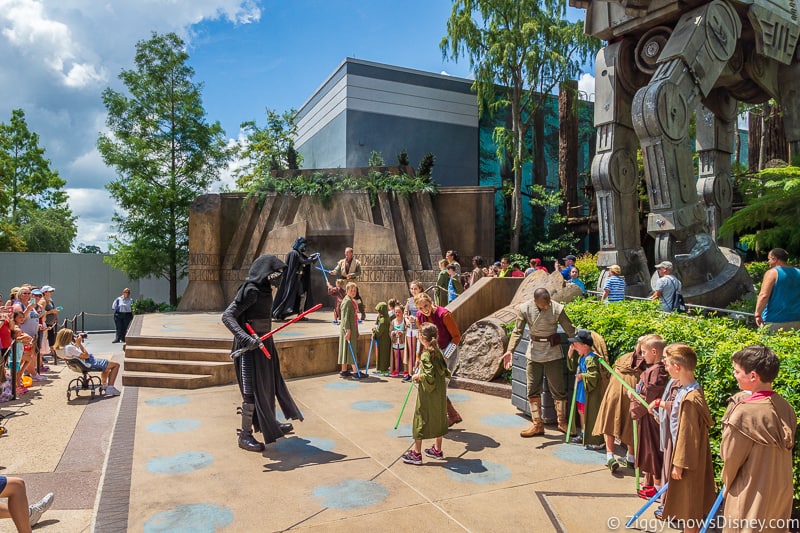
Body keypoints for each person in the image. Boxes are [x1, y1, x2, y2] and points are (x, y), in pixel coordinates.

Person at [221, 254, 303, 452]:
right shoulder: (250, 290)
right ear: (265, 273)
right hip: (249, 349)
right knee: (250, 391)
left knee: (269, 384)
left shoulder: (266, 291)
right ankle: (245, 435)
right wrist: (247, 339)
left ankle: (271, 422)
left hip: (265, 343)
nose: (277, 277)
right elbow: (227, 316)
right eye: (274, 273)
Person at [720, 345, 797, 532]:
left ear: (753, 376)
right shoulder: (786, 407)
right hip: (780, 491)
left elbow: (730, 457)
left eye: (737, 371)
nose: (734, 374)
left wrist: (727, 484)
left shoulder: (744, 411)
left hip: (751, 492)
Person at [502, 288, 577, 437]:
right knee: (532, 388)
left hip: (552, 352)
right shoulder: (525, 308)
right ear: (535, 301)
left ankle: (561, 421)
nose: (547, 306)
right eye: (543, 305)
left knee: (558, 388)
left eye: (548, 302)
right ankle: (537, 424)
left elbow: (570, 329)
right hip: (534, 352)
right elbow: (517, 331)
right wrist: (510, 350)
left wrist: (582, 344)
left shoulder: (557, 308)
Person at [658, 344, 716, 532]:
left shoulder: (690, 398)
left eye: (668, 364)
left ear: (678, 367)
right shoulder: (689, 389)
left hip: (688, 462)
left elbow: (687, 435)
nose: (665, 367)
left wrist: (678, 464)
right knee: (687, 508)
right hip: (687, 459)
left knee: (690, 509)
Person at [594, 336, 648, 473]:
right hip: (629, 392)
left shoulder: (626, 358)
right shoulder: (645, 362)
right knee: (631, 424)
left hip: (615, 392)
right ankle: (630, 457)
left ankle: (610, 456)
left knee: (610, 422)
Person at [401, 322, 450, 465]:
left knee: (420, 417)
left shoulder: (426, 355)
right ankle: (437, 450)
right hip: (440, 391)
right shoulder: (438, 351)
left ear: (422, 337)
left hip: (429, 393)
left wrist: (417, 376)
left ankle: (416, 454)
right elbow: (443, 371)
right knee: (439, 416)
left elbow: (428, 376)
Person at [414, 292, 463, 426]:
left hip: (448, 352)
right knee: (431, 384)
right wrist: (419, 357)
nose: (425, 310)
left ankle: (445, 417)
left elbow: (456, 337)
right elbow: (422, 338)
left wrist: (444, 356)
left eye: (426, 305)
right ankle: (452, 415)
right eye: (421, 308)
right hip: (431, 353)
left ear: (431, 302)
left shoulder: (444, 314)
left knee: (441, 385)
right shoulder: (420, 317)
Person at [628, 335, 668, 498]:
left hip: (652, 417)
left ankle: (657, 488)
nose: (642, 355)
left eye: (644, 352)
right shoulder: (652, 367)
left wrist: (633, 397)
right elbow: (636, 363)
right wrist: (639, 344)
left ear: (654, 351)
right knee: (646, 450)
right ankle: (650, 482)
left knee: (652, 450)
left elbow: (649, 397)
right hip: (646, 416)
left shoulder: (658, 371)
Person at [566, 329, 606, 449]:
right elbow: (573, 367)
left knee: (589, 414)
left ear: (585, 346)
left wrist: (582, 376)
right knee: (581, 412)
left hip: (587, 392)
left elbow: (594, 375)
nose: (573, 346)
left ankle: (597, 441)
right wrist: (570, 353)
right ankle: (584, 433)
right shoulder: (582, 357)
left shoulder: (591, 358)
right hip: (581, 391)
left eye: (576, 344)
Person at [53, 328, 121, 396]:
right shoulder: (69, 348)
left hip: (77, 365)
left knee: (107, 367)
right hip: (87, 364)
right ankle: (110, 388)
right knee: (116, 365)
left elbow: (72, 352)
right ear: (67, 338)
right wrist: (80, 344)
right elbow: (86, 356)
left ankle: (104, 385)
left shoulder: (58, 348)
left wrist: (76, 343)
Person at [272, 237, 319, 320]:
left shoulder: (298, 253)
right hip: (292, 279)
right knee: (289, 295)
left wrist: (312, 258)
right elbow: (303, 261)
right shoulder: (293, 253)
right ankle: (279, 313)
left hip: (298, 279)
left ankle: (300, 314)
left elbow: (305, 260)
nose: (304, 247)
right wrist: (313, 259)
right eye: (303, 245)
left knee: (302, 295)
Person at [754, 247, 800, 331]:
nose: (768, 262)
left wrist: (757, 314)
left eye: (769, 259)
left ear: (774, 259)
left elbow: (764, 295)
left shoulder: (772, 273)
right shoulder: (798, 272)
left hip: (775, 319)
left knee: (768, 343)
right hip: (797, 319)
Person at [328, 247, 366, 321]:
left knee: (357, 298)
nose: (346, 254)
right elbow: (337, 269)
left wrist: (352, 275)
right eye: (345, 252)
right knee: (342, 298)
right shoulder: (342, 262)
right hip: (344, 283)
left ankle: (362, 312)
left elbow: (359, 272)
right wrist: (333, 272)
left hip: (353, 283)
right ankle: (342, 314)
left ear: (351, 253)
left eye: (347, 252)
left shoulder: (357, 262)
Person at [338, 282, 361, 379]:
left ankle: (344, 370)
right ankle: (356, 372)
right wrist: (348, 330)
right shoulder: (347, 302)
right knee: (351, 349)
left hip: (350, 328)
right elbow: (345, 318)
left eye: (354, 290)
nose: (353, 292)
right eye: (351, 290)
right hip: (348, 328)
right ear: (347, 291)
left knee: (345, 348)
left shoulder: (349, 300)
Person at [38, 285, 58, 363]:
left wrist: (55, 314)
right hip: (45, 323)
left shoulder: (50, 300)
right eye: (50, 291)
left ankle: (44, 358)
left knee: (50, 338)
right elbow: (41, 312)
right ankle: (40, 359)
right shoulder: (43, 301)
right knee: (43, 340)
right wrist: (51, 312)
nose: (51, 292)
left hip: (50, 322)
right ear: (44, 292)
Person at [372, 302, 391, 376]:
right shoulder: (385, 318)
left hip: (383, 340)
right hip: (383, 340)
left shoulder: (383, 320)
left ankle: (384, 370)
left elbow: (379, 332)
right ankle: (381, 369)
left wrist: (374, 330)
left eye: (378, 311)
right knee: (382, 355)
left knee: (383, 355)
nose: (378, 313)